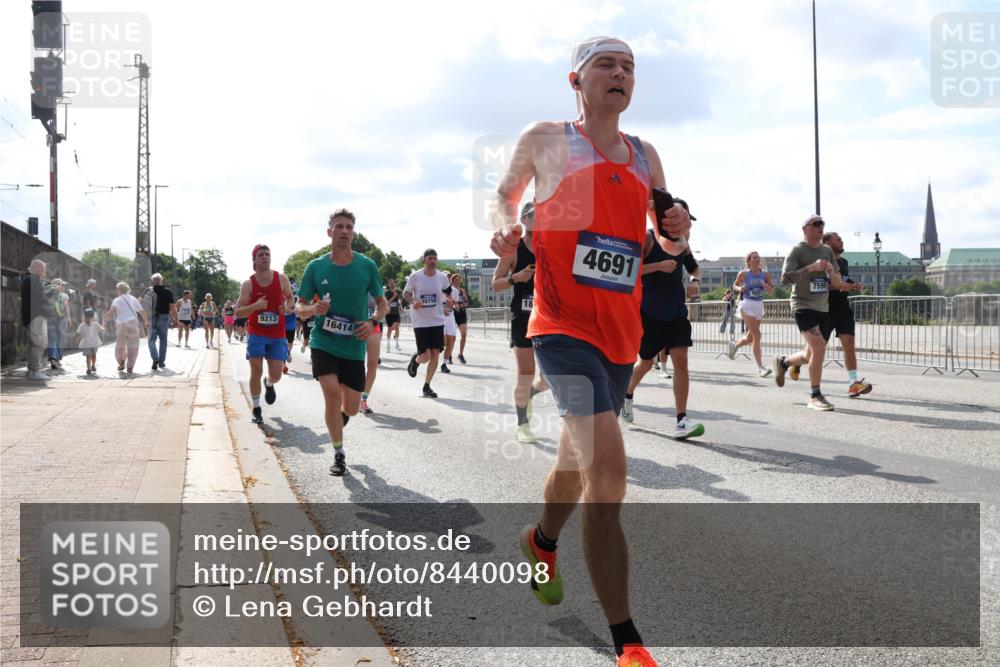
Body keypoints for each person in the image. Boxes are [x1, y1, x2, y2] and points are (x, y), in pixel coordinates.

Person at [489, 36, 691, 667]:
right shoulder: (550, 139)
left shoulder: (644, 155)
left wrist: (679, 227)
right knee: (609, 473)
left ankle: (541, 540)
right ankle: (627, 641)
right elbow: (503, 193)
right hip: (560, 329)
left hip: (618, 336)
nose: (620, 73)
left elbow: (669, 236)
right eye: (607, 64)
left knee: (576, 465)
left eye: (629, 67)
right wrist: (504, 225)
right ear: (575, 79)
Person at [295, 209, 387, 476]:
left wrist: (372, 322)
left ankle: (341, 418)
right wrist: (313, 309)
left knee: (353, 408)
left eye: (348, 227)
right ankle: (338, 453)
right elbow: (298, 307)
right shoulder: (316, 267)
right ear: (329, 232)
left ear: (353, 233)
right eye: (339, 226)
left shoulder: (367, 266)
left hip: (354, 345)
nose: (344, 231)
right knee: (332, 395)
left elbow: (382, 304)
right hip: (323, 341)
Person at [620, 228, 704, 439]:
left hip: (676, 312)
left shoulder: (683, 242)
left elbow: (695, 269)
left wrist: (695, 281)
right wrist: (658, 266)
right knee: (646, 363)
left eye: (688, 221)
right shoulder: (648, 238)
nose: (686, 227)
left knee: (681, 361)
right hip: (650, 313)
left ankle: (681, 420)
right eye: (682, 219)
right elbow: (629, 269)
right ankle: (627, 395)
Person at [773, 214, 846, 411]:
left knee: (810, 353)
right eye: (816, 224)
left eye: (822, 224)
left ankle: (784, 362)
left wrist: (831, 271)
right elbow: (785, 279)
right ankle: (815, 395)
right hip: (802, 305)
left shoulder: (828, 251)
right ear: (805, 229)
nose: (820, 227)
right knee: (819, 347)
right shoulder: (798, 250)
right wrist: (810, 268)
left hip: (822, 307)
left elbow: (838, 283)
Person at [491, 201, 550, 443]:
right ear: (524, 219)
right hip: (523, 316)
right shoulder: (514, 250)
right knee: (525, 373)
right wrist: (516, 278)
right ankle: (522, 424)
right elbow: (496, 283)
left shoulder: (553, 247)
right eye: (535, 214)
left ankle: (531, 395)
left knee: (550, 377)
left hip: (549, 316)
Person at [235, 245, 295, 424]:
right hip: (257, 332)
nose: (265, 257)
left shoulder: (281, 278)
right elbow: (238, 312)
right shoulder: (248, 284)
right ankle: (256, 408)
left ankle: (269, 383)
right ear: (254, 260)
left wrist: (287, 307)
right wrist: (255, 306)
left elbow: (291, 298)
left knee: (276, 374)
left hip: (277, 334)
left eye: (267, 254)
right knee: (256, 369)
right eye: (260, 255)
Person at [823, 231, 873, 398]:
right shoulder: (822, 262)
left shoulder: (844, 262)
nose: (842, 242)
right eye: (838, 240)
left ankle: (853, 383)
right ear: (828, 244)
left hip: (843, 307)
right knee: (815, 350)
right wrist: (841, 286)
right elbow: (823, 285)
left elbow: (844, 279)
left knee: (849, 343)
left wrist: (853, 284)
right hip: (825, 308)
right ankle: (788, 363)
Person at [403, 249, 452, 398]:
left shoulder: (442, 277)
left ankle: (427, 386)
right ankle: (416, 360)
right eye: (430, 258)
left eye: (434, 258)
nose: (432, 261)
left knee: (435, 354)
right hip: (420, 321)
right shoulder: (415, 276)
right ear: (424, 260)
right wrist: (413, 301)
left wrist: (446, 303)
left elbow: (447, 291)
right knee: (426, 356)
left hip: (437, 320)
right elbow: (405, 294)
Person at [730, 251, 774, 377]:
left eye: (758, 257)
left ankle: (734, 346)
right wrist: (740, 289)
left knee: (750, 338)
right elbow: (734, 285)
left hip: (759, 305)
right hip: (747, 304)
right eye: (754, 257)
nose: (757, 259)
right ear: (749, 261)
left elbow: (772, 289)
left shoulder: (765, 274)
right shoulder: (744, 274)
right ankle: (761, 368)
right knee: (757, 335)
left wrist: (768, 287)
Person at [106, 281, 148, 374]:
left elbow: (111, 312)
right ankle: (130, 367)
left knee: (120, 345)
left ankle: (121, 361)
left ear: (119, 290)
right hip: (133, 323)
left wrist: (106, 318)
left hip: (122, 324)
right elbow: (141, 311)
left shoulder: (117, 300)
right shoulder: (133, 299)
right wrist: (146, 321)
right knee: (133, 346)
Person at [21, 259, 51, 381]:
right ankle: (35, 370)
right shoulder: (33, 280)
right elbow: (41, 299)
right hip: (36, 317)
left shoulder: (28, 279)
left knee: (34, 344)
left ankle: (32, 370)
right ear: (37, 268)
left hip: (31, 316)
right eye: (43, 269)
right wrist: (51, 294)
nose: (45, 271)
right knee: (40, 344)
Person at [147, 273, 177, 371]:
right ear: (162, 280)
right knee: (163, 340)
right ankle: (161, 362)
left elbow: (141, 303)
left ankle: (155, 358)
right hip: (164, 317)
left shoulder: (149, 291)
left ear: (152, 281)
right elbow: (172, 307)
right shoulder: (167, 292)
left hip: (152, 317)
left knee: (151, 340)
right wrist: (175, 319)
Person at [360, 294, 383, 414]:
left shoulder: (374, 283)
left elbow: (385, 306)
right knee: (356, 365)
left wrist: (376, 317)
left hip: (373, 327)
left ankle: (363, 399)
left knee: (373, 364)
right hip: (355, 328)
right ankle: (351, 394)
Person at [46, 278, 71, 370]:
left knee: (53, 339)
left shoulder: (49, 295)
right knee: (59, 339)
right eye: (62, 285)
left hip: (53, 319)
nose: (63, 286)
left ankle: (54, 358)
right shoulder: (63, 295)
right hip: (60, 319)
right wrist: (68, 318)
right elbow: (66, 307)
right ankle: (56, 359)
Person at [76, 307, 104, 376]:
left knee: (91, 355)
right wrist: (103, 326)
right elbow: (101, 329)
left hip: (91, 343)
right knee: (91, 355)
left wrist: (78, 339)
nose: (89, 319)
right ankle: (90, 367)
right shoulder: (85, 325)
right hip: (91, 343)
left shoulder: (92, 324)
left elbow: (80, 333)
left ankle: (91, 367)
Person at [450, 273, 470, 363]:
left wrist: (461, 304)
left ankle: (460, 354)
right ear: (452, 281)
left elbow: (466, 303)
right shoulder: (449, 290)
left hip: (461, 313)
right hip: (452, 313)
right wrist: (455, 304)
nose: (458, 281)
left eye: (459, 280)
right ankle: (449, 355)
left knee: (464, 334)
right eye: (456, 280)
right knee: (452, 336)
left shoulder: (462, 291)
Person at [441, 275, 458, 374]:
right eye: (445, 277)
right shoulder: (438, 289)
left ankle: (444, 364)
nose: (447, 278)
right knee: (443, 342)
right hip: (440, 317)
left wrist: (454, 305)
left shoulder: (454, 291)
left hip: (450, 316)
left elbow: (456, 304)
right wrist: (443, 309)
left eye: (449, 277)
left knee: (451, 341)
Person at [384, 278, 402, 352]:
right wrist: (393, 297)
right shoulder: (386, 293)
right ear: (388, 285)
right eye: (390, 283)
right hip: (389, 313)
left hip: (396, 312)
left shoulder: (398, 291)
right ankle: (388, 345)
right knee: (390, 329)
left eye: (393, 283)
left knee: (397, 327)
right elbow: (386, 303)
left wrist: (400, 305)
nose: (392, 284)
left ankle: (397, 344)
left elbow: (400, 300)